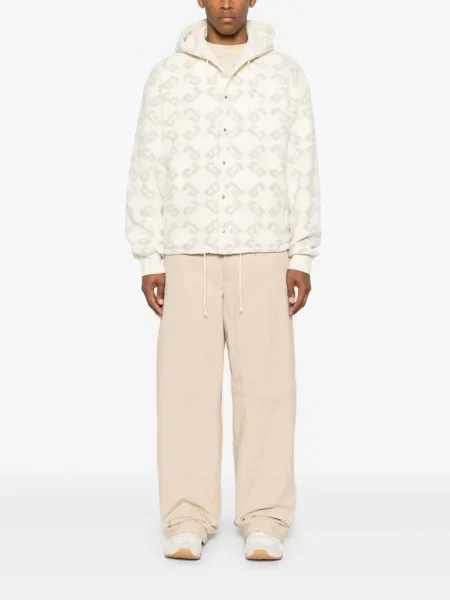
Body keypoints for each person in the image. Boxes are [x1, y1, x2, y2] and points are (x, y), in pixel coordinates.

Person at [125, 0, 321, 561]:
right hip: (189, 254)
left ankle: (265, 516)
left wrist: (302, 254)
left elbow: (302, 164)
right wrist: (150, 256)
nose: (227, 3)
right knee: (184, 392)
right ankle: (187, 516)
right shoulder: (168, 76)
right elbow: (148, 163)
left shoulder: (285, 74)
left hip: (265, 251)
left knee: (268, 392)